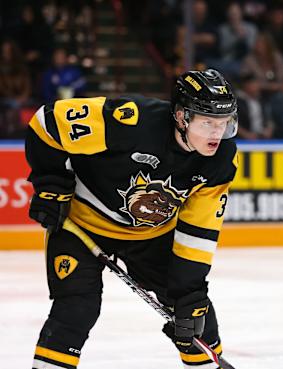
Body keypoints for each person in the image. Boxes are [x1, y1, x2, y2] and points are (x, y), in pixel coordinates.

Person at [26, 69, 238, 369]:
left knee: (196, 315)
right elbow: (48, 122)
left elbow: (198, 232)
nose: (218, 133)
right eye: (208, 123)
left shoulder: (222, 160)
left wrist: (189, 293)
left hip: (150, 237)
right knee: (76, 309)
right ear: (181, 117)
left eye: (224, 123)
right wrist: (50, 184)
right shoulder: (131, 121)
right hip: (82, 225)